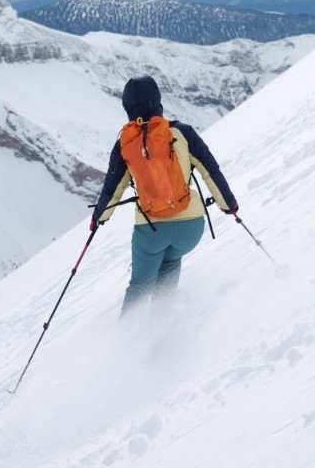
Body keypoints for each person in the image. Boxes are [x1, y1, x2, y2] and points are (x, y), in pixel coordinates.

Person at [91, 75, 239, 311]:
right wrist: (229, 204)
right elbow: (210, 171)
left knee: (140, 285)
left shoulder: (125, 144)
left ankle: (129, 331)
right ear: (157, 101)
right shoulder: (183, 133)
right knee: (170, 261)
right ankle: (163, 321)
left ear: (128, 108)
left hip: (151, 231)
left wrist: (99, 217)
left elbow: (112, 190)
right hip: (190, 227)